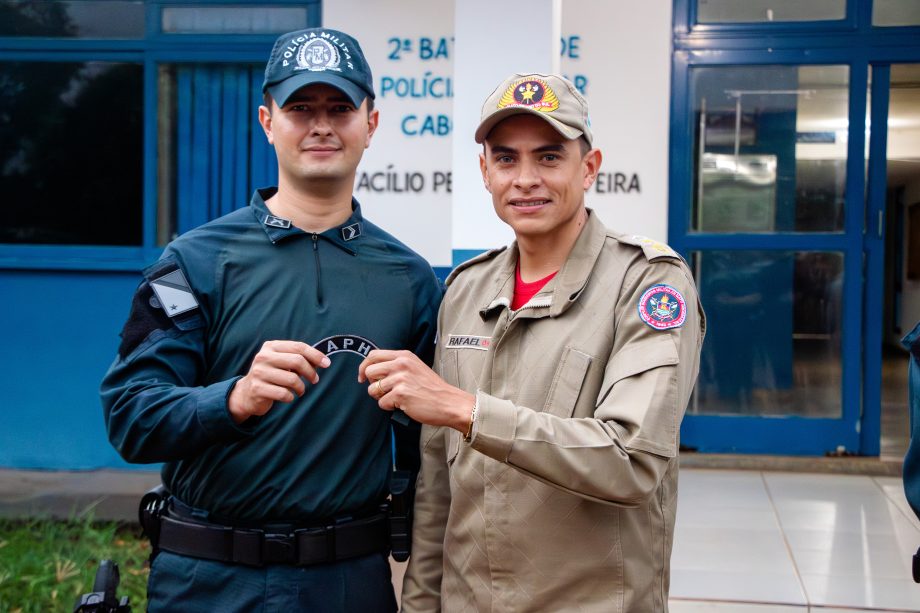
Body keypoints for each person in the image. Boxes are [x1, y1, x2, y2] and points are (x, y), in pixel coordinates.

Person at [100, 27, 441, 612]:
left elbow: (425, 449)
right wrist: (233, 398)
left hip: (348, 583)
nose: (321, 125)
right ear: (266, 121)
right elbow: (131, 415)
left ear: (372, 124)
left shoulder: (410, 279)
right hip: (206, 580)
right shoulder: (192, 262)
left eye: (340, 107)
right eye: (300, 108)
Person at [359, 73, 706, 612]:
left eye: (548, 158)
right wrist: (422, 602)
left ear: (588, 168)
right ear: (485, 172)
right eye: (505, 159)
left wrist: (468, 410)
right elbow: (437, 488)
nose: (525, 179)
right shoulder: (465, 290)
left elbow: (631, 460)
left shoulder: (646, 284)